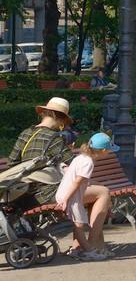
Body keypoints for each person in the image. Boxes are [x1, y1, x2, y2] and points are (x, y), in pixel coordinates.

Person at [9, 99, 112, 256]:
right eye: (64, 121)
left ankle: (79, 247)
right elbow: (75, 169)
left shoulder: (25, 133)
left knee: (91, 193)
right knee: (103, 192)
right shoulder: (54, 138)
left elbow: (12, 164)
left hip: (22, 195)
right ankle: (91, 246)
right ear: (60, 118)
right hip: (48, 194)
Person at [55, 132, 120, 261]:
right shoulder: (89, 162)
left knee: (78, 224)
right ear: (102, 150)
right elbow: (77, 182)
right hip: (71, 197)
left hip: (67, 194)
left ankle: (80, 249)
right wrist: (66, 200)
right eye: (109, 150)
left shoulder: (81, 157)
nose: (109, 153)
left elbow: (81, 181)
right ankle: (89, 251)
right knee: (79, 225)